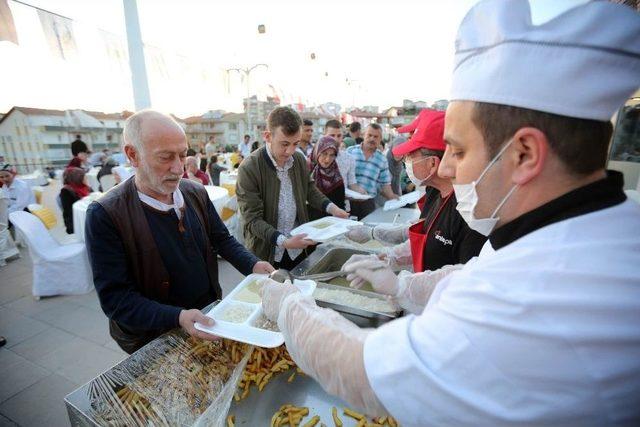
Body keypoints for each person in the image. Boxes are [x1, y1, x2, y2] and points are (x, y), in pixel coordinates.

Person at [258, 1, 640, 425]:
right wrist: (403, 286)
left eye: (458, 150)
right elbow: (472, 274)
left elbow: (364, 370)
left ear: (525, 154)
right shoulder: (584, 230)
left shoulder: (539, 297)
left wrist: (290, 307)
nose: (450, 167)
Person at [85, 110, 274, 353]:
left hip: (209, 316)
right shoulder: (106, 215)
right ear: (133, 155)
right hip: (155, 337)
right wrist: (177, 317)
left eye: (183, 155)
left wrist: (253, 265)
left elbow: (222, 239)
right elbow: (116, 300)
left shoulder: (194, 192)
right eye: (165, 157)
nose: (178, 168)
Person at [345, 111, 486, 303]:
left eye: (411, 155)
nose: (405, 161)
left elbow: (466, 284)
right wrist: (387, 258)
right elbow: (425, 237)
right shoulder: (434, 192)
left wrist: (402, 287)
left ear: (433, 163)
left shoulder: (469, 213)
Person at [236, 107, 349, 269]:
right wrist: (284, 241)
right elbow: (252, 220)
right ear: (267, 136)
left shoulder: (299, 160)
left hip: (299, 247)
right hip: (268, 252)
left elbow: (309, 189)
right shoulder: (249, 168)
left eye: (295, 144)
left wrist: (332, 208)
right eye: (284, 144)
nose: (289, 151)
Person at [346, 123, 399, 218]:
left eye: (375, 136)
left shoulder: (382, 159)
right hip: (348, 202)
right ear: (363, 135)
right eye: (369, 135)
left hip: (368, 204)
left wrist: (394, 197)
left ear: (380, 139)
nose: (372, 139)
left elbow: (385, 185)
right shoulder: (350, 152)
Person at [309, 136, 345, 220]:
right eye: (324, 154)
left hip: (330, 225)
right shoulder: (306, 169)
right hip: (307, 223)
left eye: (332, 155)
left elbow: (341, 205)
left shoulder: (336, 177)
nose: (327, 159)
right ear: (317, 152)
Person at [59, 167, 91, 234]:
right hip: (77, 221)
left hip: (87, 216)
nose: (86, 178)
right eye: (84, 177)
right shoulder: (66, 191)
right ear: (77, 178)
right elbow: (69, 211)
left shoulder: (85, 187)